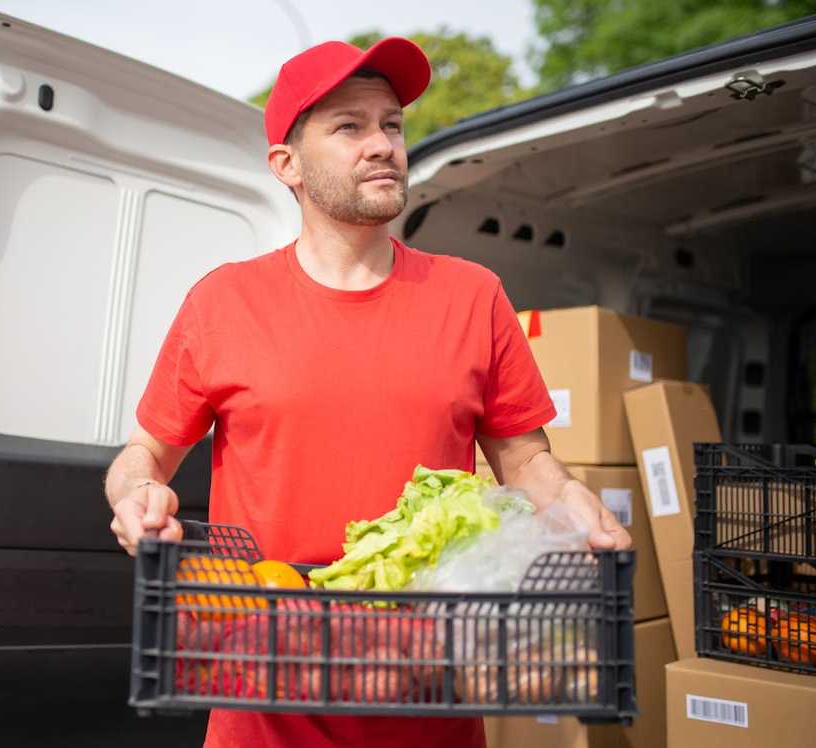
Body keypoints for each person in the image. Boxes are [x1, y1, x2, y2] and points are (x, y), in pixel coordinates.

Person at [106, 36, 632, 748]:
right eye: (348, 127)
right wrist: (135, 498)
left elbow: (525, 458)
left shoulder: (473, 296)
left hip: (431, 703)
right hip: (264, 709)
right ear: (286, 166)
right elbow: (145, 453)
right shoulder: (223, 301)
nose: (381, 144)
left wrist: (574, 507)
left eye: (391, 124)